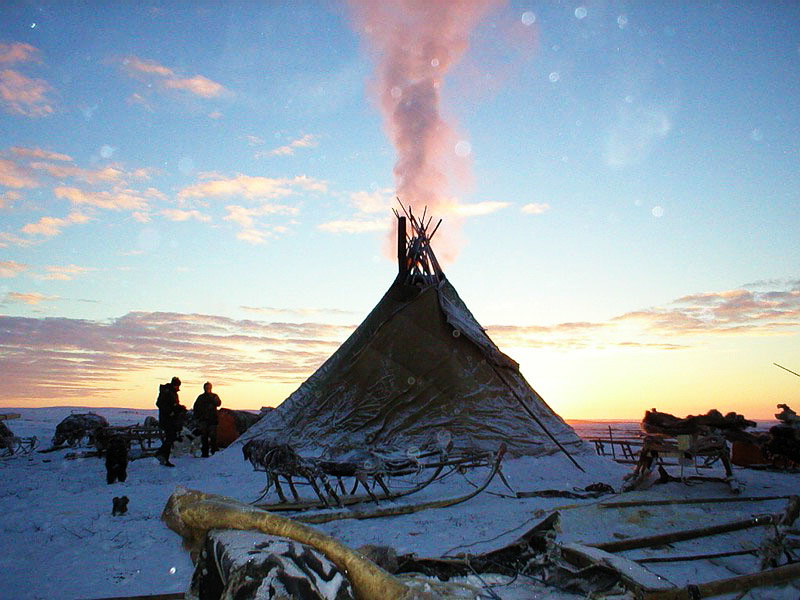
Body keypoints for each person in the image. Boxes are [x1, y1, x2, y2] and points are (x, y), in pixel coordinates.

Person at [155, 376, 185, 467]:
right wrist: (170, 412)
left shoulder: (173, 393)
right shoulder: (167, 392)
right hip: (167, 419)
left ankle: (164, 457)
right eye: (177, 385)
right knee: (170, 437)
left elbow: (174, 405)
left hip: (172, 419)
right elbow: (160, 404)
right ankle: (160, 454)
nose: (178, 387)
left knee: (170, 438)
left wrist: (180, 408)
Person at [193, 381, 221, 458]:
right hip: (203, 420)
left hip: (212, 420)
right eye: (206, 387)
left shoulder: (214, 396)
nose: (207, 389)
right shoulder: (201, 397)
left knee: (213, 437)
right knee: (204, 437)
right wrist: (197, 417)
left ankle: (214, 451)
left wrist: (213, 399)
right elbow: (196, 407)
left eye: (208, 387)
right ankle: (205, 453)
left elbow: (219, 403)